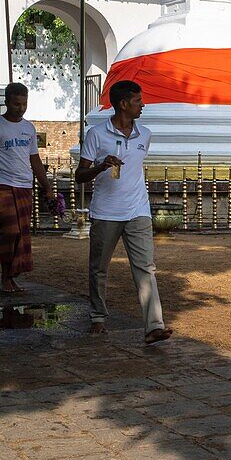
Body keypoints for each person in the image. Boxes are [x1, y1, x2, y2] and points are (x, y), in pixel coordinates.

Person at [75, 80, 172, 344]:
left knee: (146, 268)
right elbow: (79, 175)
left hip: (138, 209)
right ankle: (97, 317)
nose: (143, 105)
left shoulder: (145, 134)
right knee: (99, 268)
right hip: (106, 211)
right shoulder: (97, 134)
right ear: (123, 104)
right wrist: (100, 167)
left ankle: (154, 325)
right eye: (138, 101)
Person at [0, 83, 54, 293]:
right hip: (0, 184)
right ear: (7, 102)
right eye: (16, 104)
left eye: (24, 104)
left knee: (22, 233)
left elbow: (35, 160)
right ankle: (4, 272)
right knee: (11, 231)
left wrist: (47, 187)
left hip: (24, 184)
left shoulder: (29, 128)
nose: (20, 108)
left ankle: (11, 274)